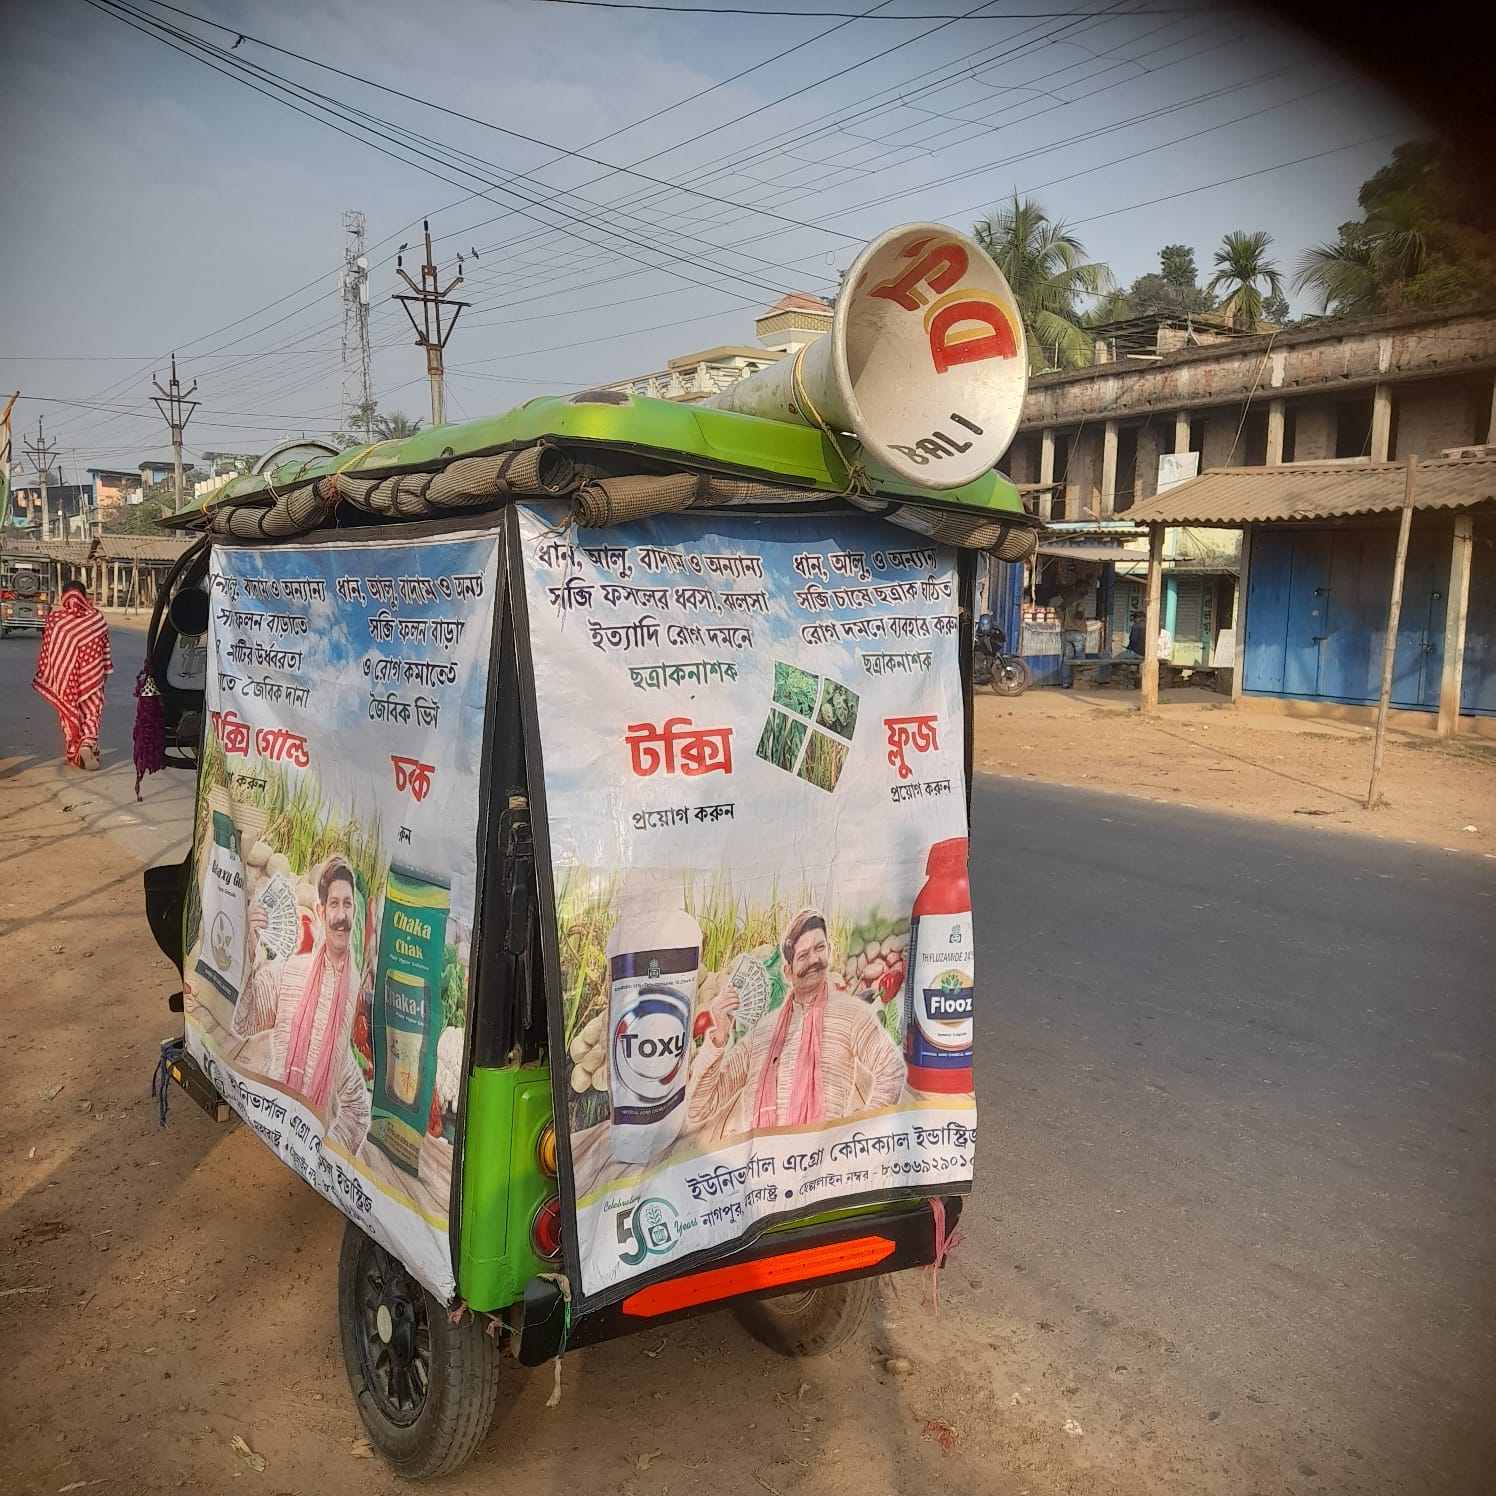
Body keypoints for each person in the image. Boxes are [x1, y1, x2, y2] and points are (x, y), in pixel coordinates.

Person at [686, 907, 906, 1136]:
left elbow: (892, 1070)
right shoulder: (762, 1033)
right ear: (788, 972)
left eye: (820, 948)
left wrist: (857, 1136)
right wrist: (720, 1035)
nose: (814, 960)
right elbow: (699, 1108)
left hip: (821, 1154)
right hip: (762, 1156)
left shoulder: (851, 1014)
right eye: (803, 955)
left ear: (829, 951)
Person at [233, 856, 371, 1154]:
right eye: (334, 904)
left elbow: (358, 1109)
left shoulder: (351, 993)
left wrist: (324, 1153)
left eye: (347, 904)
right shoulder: (292, 972)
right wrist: (250, 946)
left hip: (309, 1149)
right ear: (321, 911)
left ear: (355, 912)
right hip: (274, 1125)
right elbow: (246, 1020)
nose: (341, 915)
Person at [32, 580, 112, 770]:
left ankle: (74, 748)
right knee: (92, 712)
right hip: (93, 677)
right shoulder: (97, 618)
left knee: (68, 713)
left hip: (65, 680)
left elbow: (48, 652)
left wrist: (50, 675)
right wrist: (105, 672)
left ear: (63, 596)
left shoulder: (56, 620)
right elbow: (105, 649)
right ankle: (87, 744)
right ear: (85, 596)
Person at [1055, 579, 1091, 688]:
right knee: (1080, 657)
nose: (1087, 590)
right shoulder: (1080, 600)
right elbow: (1079, 614)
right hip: (1078, 633)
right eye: (1084, 588)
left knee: (1067, 658)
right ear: (1078, 588)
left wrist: (1064, 619)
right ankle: (1079, 682)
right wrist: (1080, 617)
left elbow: (1058, 609)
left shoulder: (1069, 599)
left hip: (1067, 632)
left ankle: (1066, 682)